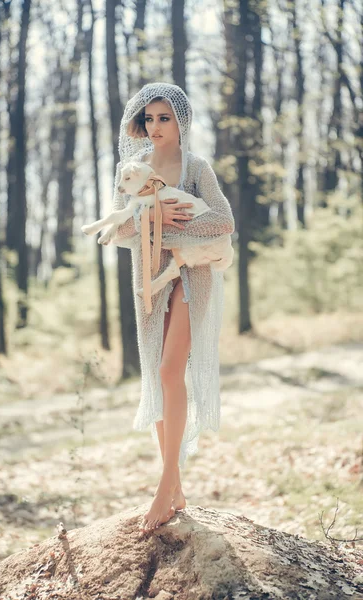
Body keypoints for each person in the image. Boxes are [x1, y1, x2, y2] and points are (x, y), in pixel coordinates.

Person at [110, 82, 235, 533]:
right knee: (158, 376)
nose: (156, 126)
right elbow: (120, 230)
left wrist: (177, 226)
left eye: (165, 118)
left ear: (181, 123)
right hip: (149, 278)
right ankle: (176, 487)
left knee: (169, 371)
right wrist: (152, 216)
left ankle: (165, 486)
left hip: (192, 277)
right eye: (149, 118)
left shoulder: (196, 167)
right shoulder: (134, 167)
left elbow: (224, 220)